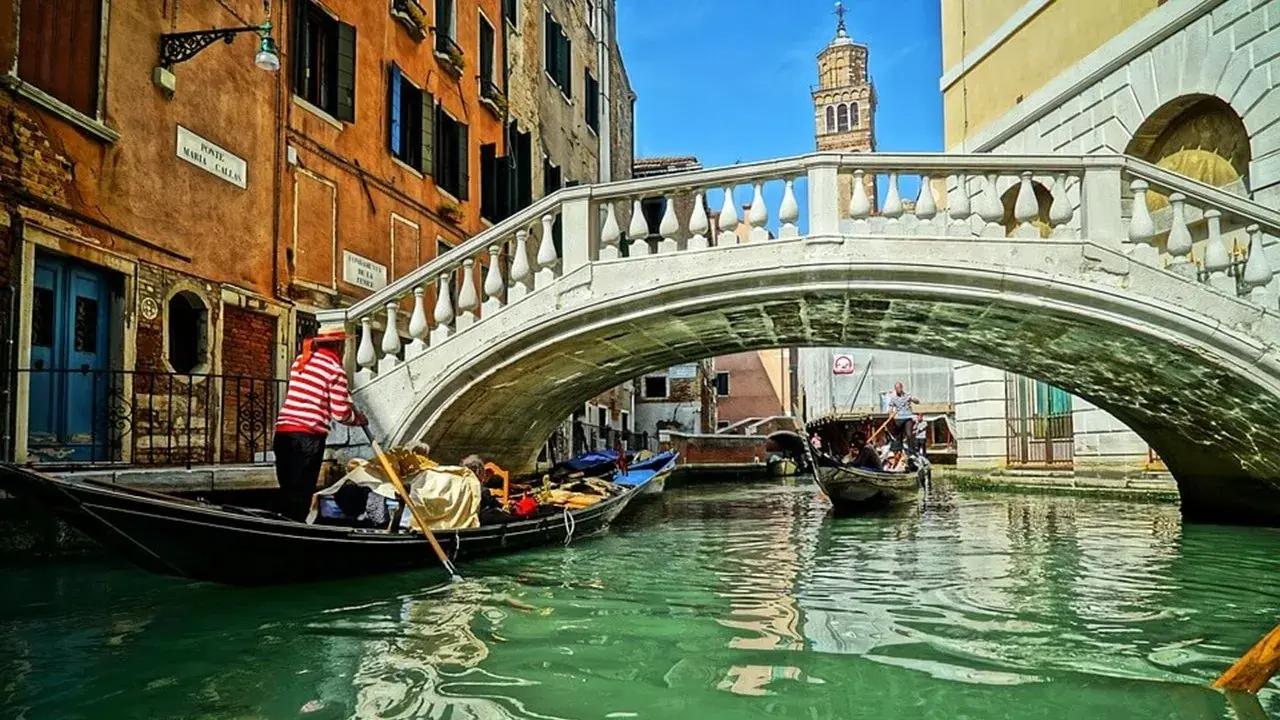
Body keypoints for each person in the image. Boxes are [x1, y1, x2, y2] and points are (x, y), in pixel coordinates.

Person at [273, 330, 367, 521]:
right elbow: (340, 413)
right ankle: (295, 535)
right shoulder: (335, 370)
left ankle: (286, 534)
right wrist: (358, 419)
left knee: (288, 492)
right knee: (301, 496)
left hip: (283, 433)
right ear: (339, 346)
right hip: (308, 438)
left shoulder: (301, 361)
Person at [885, 382, 919, 452]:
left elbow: (917, 402)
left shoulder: (907, 395)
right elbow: (890, 407)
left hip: (907, 417)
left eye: (898, 388)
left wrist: (912, 399)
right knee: (898, 436)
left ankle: (911, 450)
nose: (897, 390)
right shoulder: (893, 398)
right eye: (896, 388)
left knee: (909, 434)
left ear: (901, 388)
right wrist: (890, 414)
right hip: (898, 418)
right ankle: (899, 450)